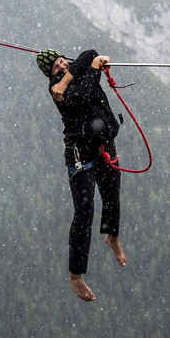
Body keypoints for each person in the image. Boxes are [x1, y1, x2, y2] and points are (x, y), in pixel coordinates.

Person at [36, 48, 127, 302]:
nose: (62, 67)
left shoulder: (73, 73)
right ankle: (75, 275)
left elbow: (90, 52)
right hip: (80, 156)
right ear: (50, 76)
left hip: (104, 145)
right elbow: (86, 91)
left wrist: (78, 69)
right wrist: (90, 70)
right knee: (84, 212)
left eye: (63, 61)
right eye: (56, 68)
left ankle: (112, 237)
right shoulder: (58, 92)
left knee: (112, 196)